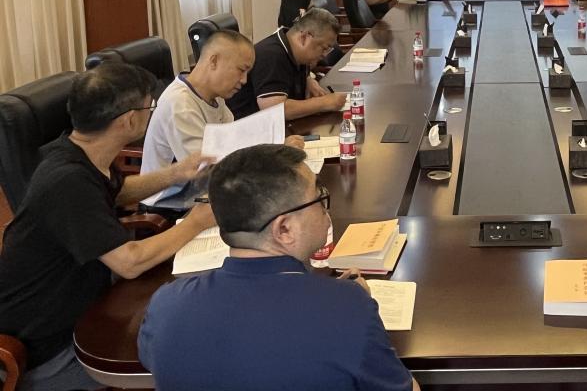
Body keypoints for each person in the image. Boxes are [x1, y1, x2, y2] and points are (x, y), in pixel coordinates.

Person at [0, 63, 216, 391]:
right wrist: (197, 222)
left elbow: (117, 191)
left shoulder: (79, 153)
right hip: (53, 347)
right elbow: (129, 262)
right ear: (128, 120)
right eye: (149, 107)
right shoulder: (67, 181)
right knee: (188, 356)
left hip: (91, 301)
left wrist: (175, 173)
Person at [138, 144, 419, 391]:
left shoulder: (165, 305)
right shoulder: (348, 308)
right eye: (319, 197)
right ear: (284, 229)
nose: (326, 207)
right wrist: (355, 307)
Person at [141, 30, 304, 207]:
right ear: (214, 61)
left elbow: (234, 143)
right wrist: (274, 155)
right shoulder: (180, 104)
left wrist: (276, 147)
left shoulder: (214, 95)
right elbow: (207, 170)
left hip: (206, 187)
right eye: (241, 70)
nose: (244, 80)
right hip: (171, 200)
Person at [227, 8, 348, 121]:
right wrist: (325, 103)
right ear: (304, 37)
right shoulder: (271, 55)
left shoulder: (296, 50)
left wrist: (308, 80)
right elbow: (275, 110)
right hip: (249, 130)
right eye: (324, 48)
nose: (324, 55)